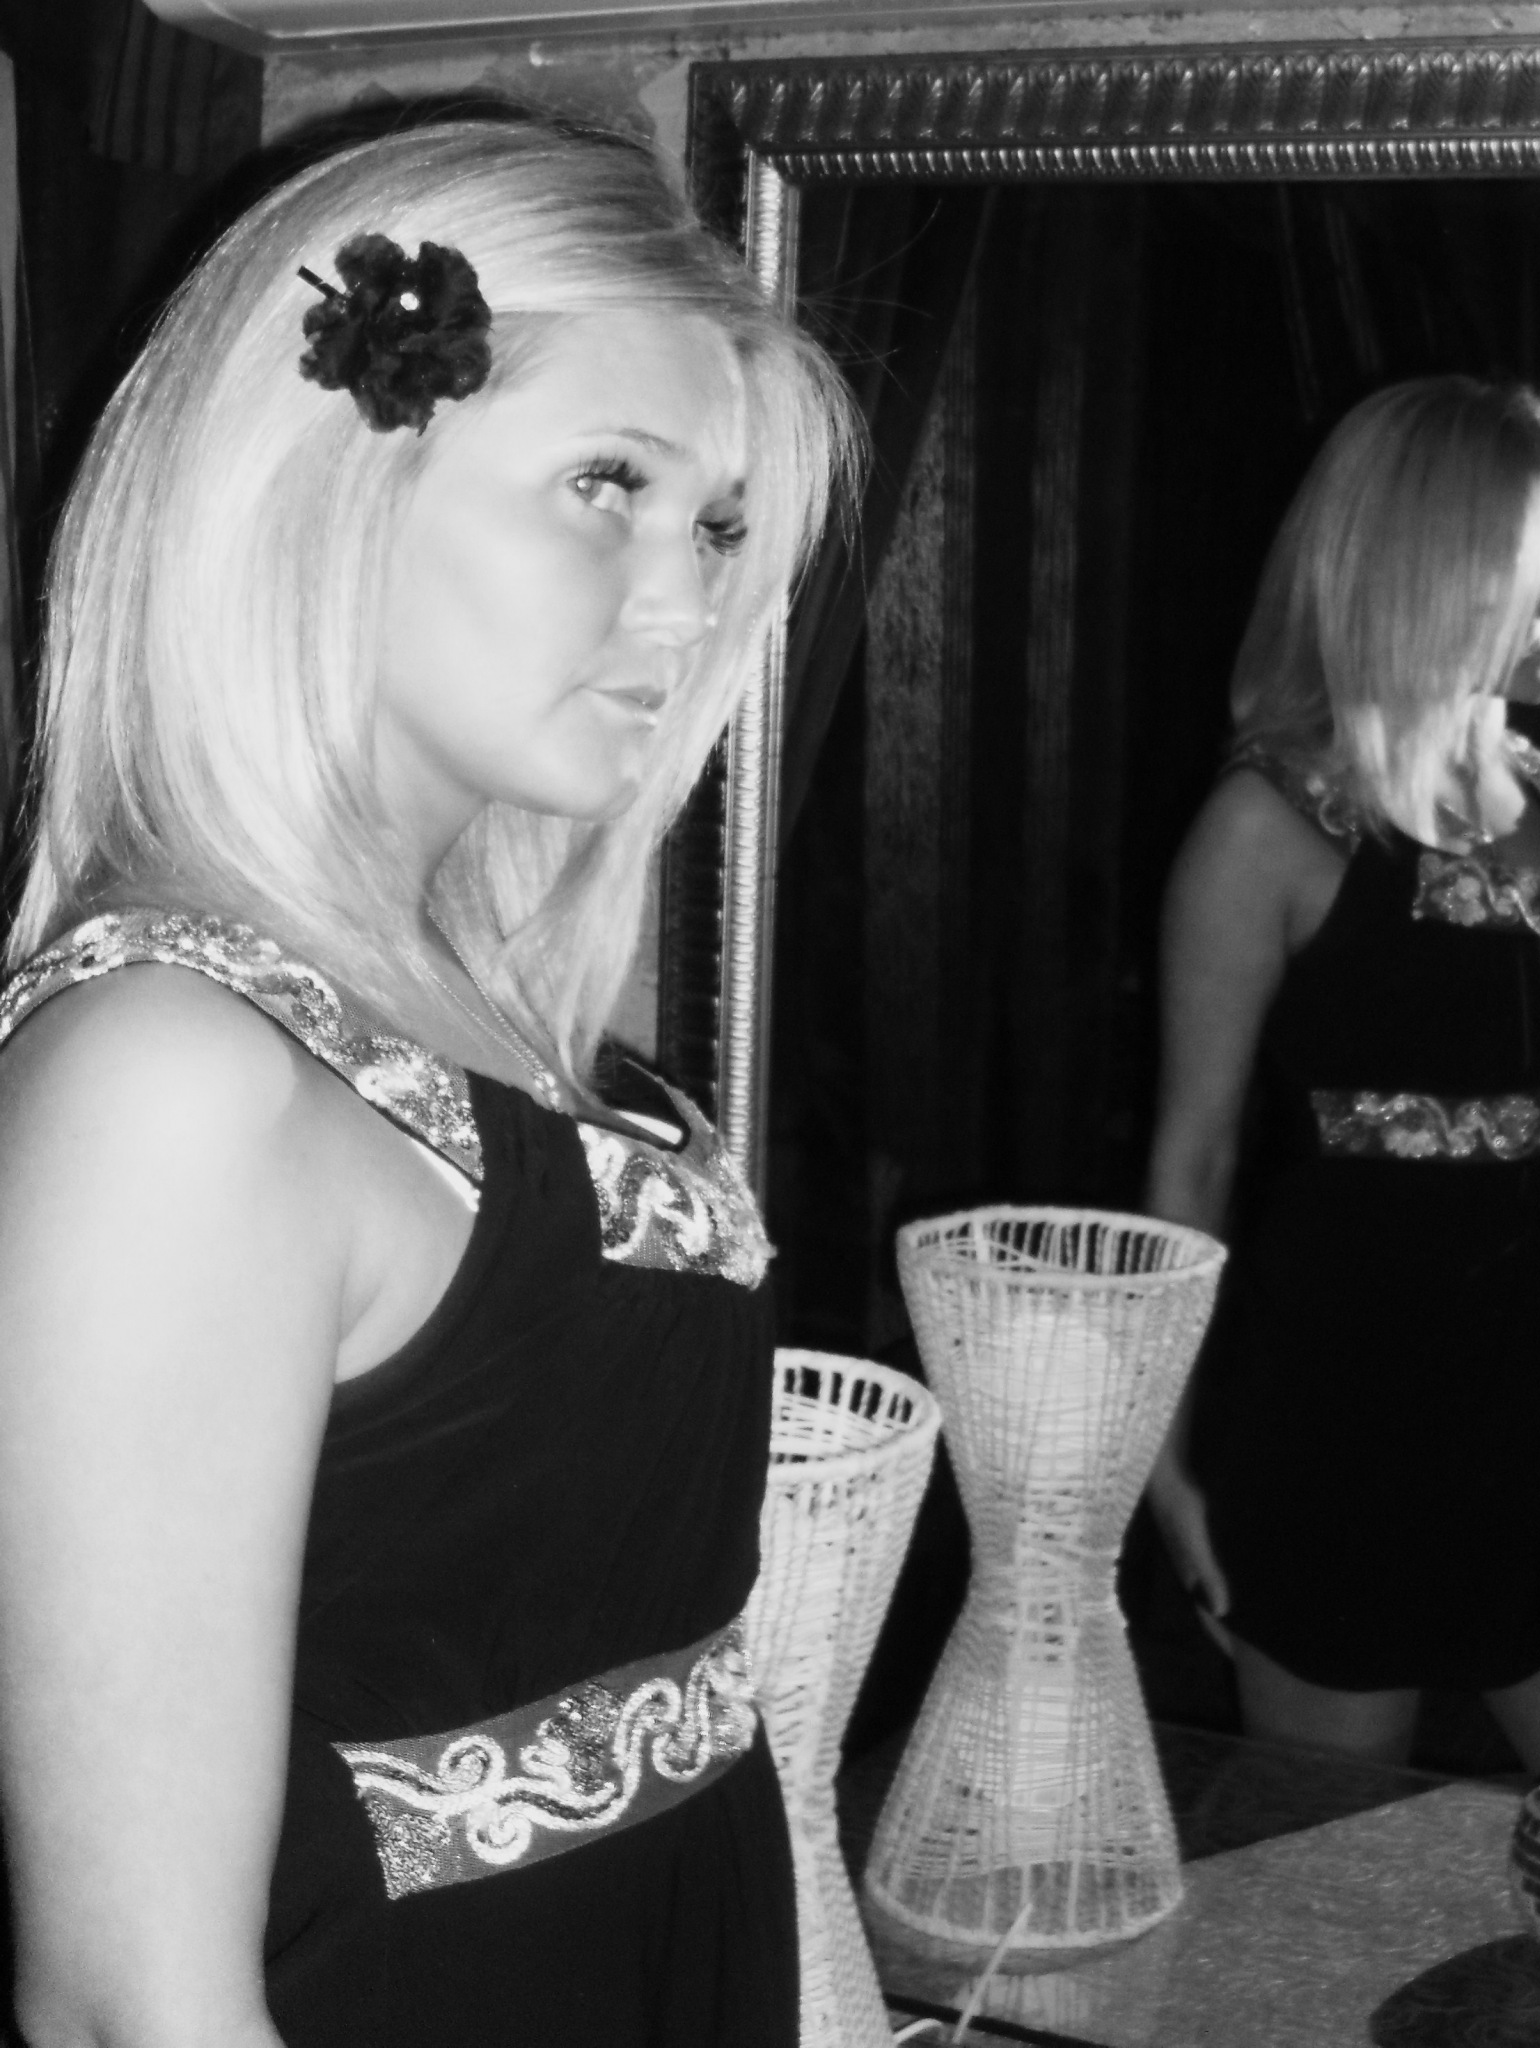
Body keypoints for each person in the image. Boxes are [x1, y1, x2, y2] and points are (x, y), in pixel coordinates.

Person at [0, 114, 857, 2046]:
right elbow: (132, 2003)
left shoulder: (476, 1011)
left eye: (716, 525)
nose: (687, 601)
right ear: (330, 476)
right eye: (604, 484)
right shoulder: (172, 1082)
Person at [1145, 376, 1540, 1815]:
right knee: (1320, 1876)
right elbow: (1192, 1164)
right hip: (1344, 1407)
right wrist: (1162, 1459)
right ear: (1440, 571)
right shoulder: (1266, 827)